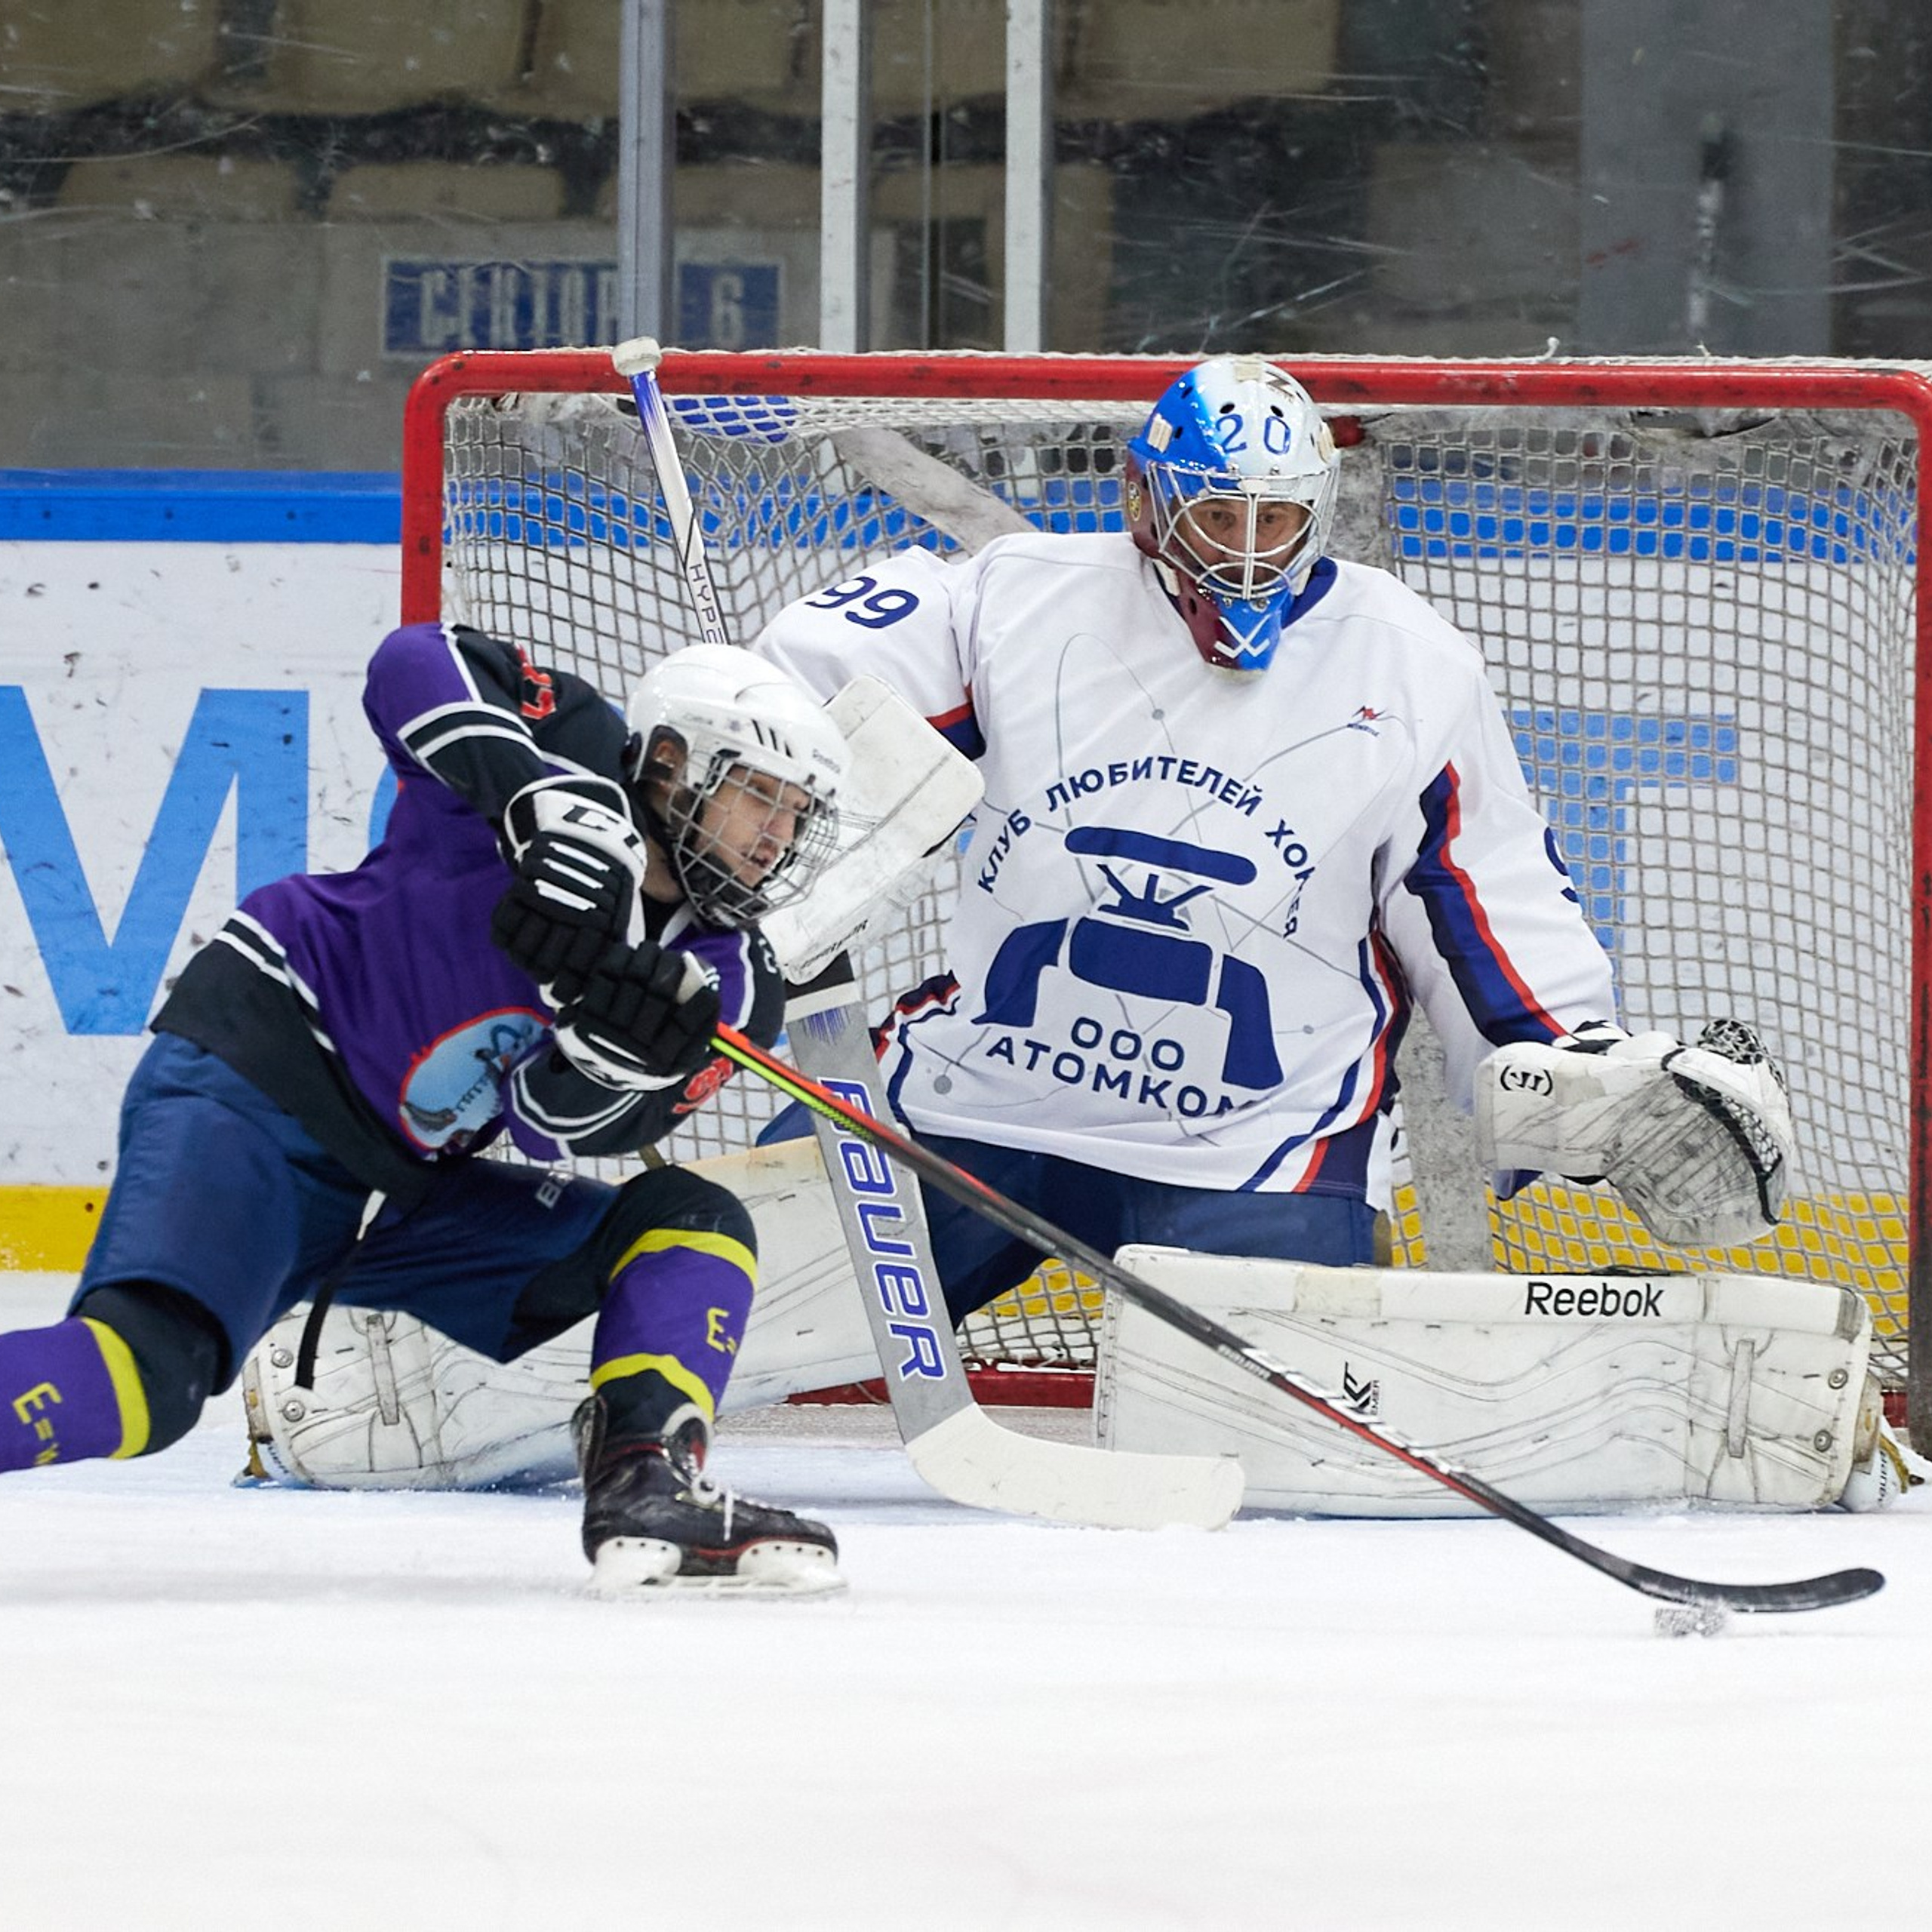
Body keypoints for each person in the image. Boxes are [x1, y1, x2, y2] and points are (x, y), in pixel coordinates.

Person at [747, 352, 1794, 1320]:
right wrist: (751, 739)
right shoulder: (1011, 598)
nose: (1248, 555)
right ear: (1143, 501)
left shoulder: (1408, 665)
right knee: (724, 1297)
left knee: (1262, 1438)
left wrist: (1572, 1072)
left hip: (1259, 1151)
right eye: (1215, 518)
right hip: (970, 1103)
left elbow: (1486, 897)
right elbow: (804, 706)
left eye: (1276, 520)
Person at [0, 626, 853, 1595]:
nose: (776, 839)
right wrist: (529, 794)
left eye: (796, 817)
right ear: (671, 761)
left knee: (689, 1223)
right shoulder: (567, 740)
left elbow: (552, 1125)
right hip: (268, 1073)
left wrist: (597, 1062)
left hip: (400, 1188)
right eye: (760, 798)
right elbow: (410, 661)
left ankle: (645, 1476)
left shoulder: (728, 979)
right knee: (145, 1380)